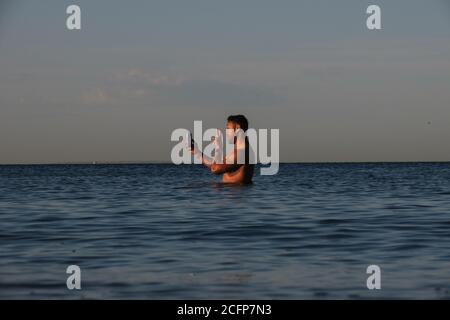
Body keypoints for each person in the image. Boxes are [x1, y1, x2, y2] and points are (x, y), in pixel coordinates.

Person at [191, 115, 254, 184]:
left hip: (237, 193)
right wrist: (196, 151)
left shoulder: (241, 153)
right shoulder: (239, 150)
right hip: (229, 192)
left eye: (228, 129)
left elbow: (215, 169)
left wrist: (218, 148)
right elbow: (215, 164)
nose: (226, 133)